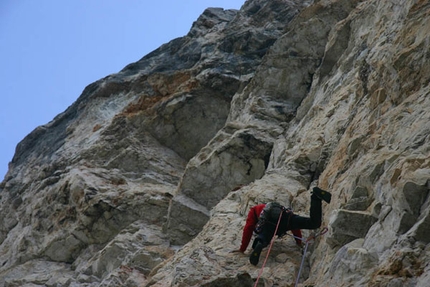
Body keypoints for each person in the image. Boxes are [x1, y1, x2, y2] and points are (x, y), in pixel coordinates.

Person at [233, 187, 331, 266]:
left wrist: (242, 249)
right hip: (286, 218)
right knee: (314, 223)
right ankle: (315, 198)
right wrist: (299, 241)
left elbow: (248, 228)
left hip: (270, 224)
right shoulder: (272, 207)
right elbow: (295, 227)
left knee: (264, 237)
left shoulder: (254, 211)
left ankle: (260, 244)